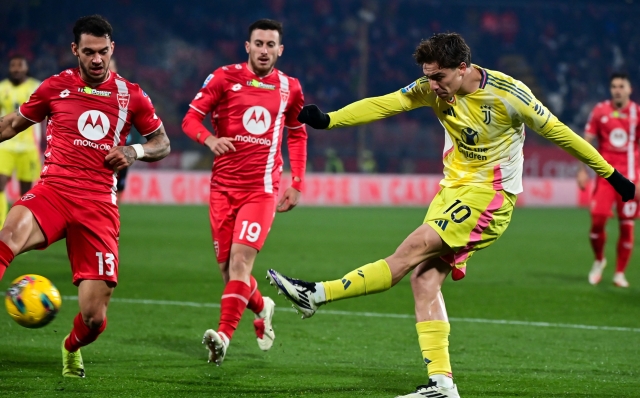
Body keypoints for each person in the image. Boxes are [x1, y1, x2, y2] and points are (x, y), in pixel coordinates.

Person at [266, 33, 635, 398]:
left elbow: (562, 134)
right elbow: (386, 104)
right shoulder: (432, 86)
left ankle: (315, 294)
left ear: (463, 69)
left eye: (439, 77)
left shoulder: (510, 94)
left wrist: (613, 177)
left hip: (490, 196)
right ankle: (442, 385)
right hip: (453, 191)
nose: (432, 85)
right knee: (424, 281)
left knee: (411, 249)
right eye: (428, 76)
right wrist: (330, 120)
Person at [0, 15, 170, 378]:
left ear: (113, 49)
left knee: (93, 318)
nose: (97, 59)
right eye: (89, 52)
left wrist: (133, 152)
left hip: (98, 206)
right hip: (54, 191)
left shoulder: (131, 94)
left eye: (103, 52)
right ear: (75, 50)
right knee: (8, 235)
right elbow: (13, 124)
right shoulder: (54, 86)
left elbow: (162, 143)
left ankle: (70, 347)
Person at [181, 19, 307, 366]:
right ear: (247, 46)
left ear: (280, 50)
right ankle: (262, 306)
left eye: (271, 45)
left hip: (261, 191)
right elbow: (190, 118)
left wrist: (296, 182)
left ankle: (222, 337)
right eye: (259, 43)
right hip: (222, 190)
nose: (264, 50)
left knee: (240, 264)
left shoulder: (289, 88)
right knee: (229, 273)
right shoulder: (223, 78)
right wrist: (208, 139)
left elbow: (297, 134)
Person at [577, 73, 639, 288]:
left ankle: (619, 273)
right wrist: (582, 171)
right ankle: (599, 259)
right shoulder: (600, 110)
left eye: (621, 86)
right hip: (607, 178)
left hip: (631, 179)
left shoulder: (637, 113)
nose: (617, 90)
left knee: (626, 226)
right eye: (614, 86)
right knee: (597, 221)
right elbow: (585, 142)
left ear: (629, 89)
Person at [0, 55, 42, 227]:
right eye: (13, 65)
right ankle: (1, 227)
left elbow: (46, 117)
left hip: (29, 147)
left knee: (26, 192)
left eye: (20, 65)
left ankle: (20, 228)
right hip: (5, 147)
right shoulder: (2, 88)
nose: (16, 69)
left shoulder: (36, 87)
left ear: (26, 68)